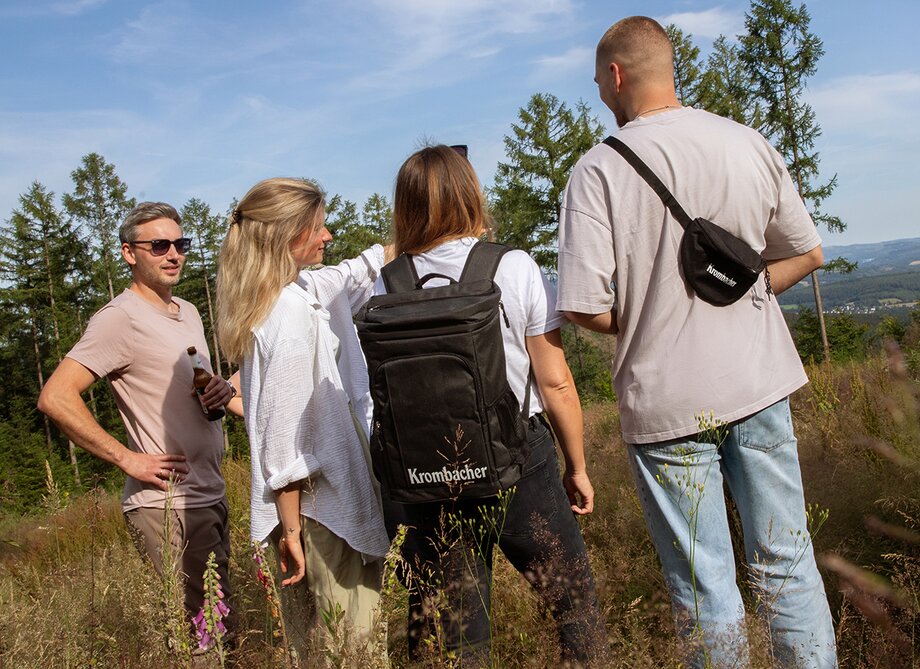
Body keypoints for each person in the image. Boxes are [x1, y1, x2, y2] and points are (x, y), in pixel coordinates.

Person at [556, 16, 837, 669]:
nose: (599, 89)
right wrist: (750, 290)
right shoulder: (746, 142)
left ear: (617, 75)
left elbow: (582, 307)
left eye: (599, 78)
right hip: (759, 383)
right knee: (788, 563)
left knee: (705, 589)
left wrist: (651, 319)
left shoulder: (597, 171)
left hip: (667, 408)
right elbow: (809, 251)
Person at [377, 145, 603, 667]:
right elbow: (556, 382)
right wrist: (578, 467)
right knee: (575, 612)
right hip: (517, 457)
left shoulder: (387, 281)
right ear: (469, 193)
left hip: (427, 473)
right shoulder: (513, 266)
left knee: (456, 636)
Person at [37, 202, 236, 635]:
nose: (173, 254)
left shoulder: (187, 310)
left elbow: (188, 391)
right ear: (130, 253)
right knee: (199, 639)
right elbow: (55, 396)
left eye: (180, 244)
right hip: (167, 503)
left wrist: (219, 389)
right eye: (159, 245)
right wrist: (128, 458)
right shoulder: (120, 319)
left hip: (209, 493)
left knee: (222, 632)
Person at [215, 177, 390, 655]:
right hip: (321, 513)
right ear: (285, 236)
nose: (328, 236)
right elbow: (284, 445)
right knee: (352, 649)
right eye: (317, 228)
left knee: (318, 646)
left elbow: (350, 272)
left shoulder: (286, 292)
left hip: (312, 512)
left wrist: (400, 242)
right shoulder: (288, 314)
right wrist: (291, 531)